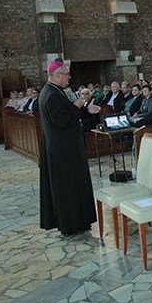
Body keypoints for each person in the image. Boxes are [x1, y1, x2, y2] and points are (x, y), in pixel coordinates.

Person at [39, 59, 100, 236]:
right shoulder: (51, 95)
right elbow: (63, 120)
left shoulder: (53, 91)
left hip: (64, 149)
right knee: (69, 188)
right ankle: (72, 224)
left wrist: (85, 109)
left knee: (72, 187)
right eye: (66, 74)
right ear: (57, 75)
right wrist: (77, 106)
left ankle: (78, 221)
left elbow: (67, 114)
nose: (69, 77)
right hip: (64, 152)